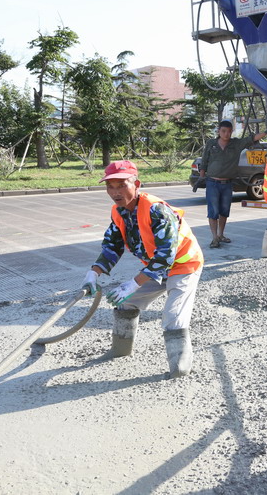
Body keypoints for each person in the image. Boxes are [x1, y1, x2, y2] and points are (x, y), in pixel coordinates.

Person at [81, 160, 205, 378]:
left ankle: (179, 368)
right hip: (156, 269)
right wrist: (94, 272)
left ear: (136, 184)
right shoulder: (119, 212)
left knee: (174, 316)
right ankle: (120, 350)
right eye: (110, 186)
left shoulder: (157, 210)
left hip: (184, 265)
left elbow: (165, 256)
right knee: (125, 303)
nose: (115, 192)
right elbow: (112, 246)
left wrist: (133, 283)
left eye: (122, 185)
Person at [199, 119, 267, 249]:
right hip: (212, 183)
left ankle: (221, 235)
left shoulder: (236, 144)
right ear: (219, 131)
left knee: (224, 211)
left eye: (229, 131)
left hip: (227, 184)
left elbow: (251, 138)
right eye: (223, 131)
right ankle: (214, 238)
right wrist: (201, 176)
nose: (226, 134)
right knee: (213, 211)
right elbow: (204, 160)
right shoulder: (211, 144)